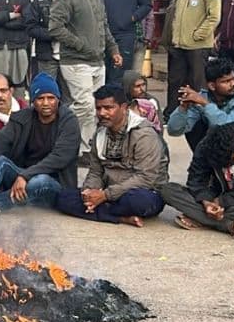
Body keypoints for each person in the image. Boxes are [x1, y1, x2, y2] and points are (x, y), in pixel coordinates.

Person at [0, 73, 81, 213]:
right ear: (33, 101)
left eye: (51, 98)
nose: (46, 103)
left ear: (58, 99)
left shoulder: (68, 121)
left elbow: (59, 158)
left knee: (38, 181)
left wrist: (25, 176)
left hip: (54, 181)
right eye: (40, 98)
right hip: (26, 174)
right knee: (1, 160)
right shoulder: (23, 117)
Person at [55, 84, 168, 227]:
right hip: (110, 192)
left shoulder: (143, 134)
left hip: (141, 192)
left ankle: (103, 211)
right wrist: (89, 191)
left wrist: (105, 196)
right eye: (98, 108)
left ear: (124, 107)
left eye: (108, 108)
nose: (102, 113)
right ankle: (121, 218)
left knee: (138, 201)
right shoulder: (101, 132)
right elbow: (96, 171)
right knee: (63, 198)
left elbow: (145, 178)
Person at [48, 0, 120, 153]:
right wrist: (81, 45)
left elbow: (103, 26)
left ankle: (90, 148)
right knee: (85, 105)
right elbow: (55, 28)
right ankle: (74, 144)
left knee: (97, 108)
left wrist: (113, 49)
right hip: (75, 61)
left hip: (98, 61)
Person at [168, 0, 220, 105]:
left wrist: (197, 35)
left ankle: (199, 114)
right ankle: (172, 113)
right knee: (175, 81)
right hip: (179, 44)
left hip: (198, 46)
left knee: (197, 82)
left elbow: (214, 17)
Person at [166, 57, 234, 150]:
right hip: (211, 154)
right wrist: (183, 107)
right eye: (226, 81)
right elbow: (174, 130)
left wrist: (206, 105)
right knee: (197, 127)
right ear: (212, 86)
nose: (233, 84)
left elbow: (231, 129)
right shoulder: (202, 98)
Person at [28, 0, 69, 92]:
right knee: (47, 91)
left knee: (69, 94)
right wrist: (53, 34)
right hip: (47, 55)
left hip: (69, 54)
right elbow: (31, 28)